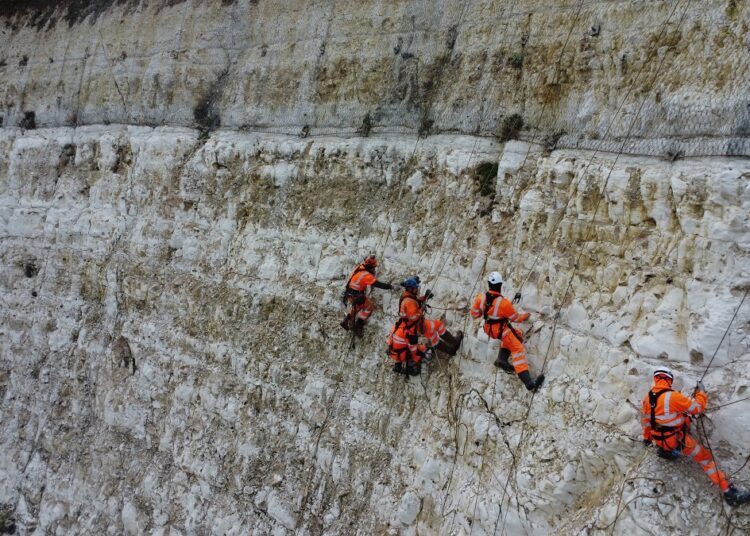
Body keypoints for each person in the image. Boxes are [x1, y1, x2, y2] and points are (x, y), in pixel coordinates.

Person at [641, 367, 750, 506]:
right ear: (669, 379)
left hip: (658, 439)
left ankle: (666, 452)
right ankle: (729, 493)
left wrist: (646, 438)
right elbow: (697, 408)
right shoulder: (673, 396)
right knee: (705, 459)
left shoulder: (647, 398)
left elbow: (647, 422)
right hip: (675, 440)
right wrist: (702, 393)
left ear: (656, 379)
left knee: (682, 422)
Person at [470, 271, 544, 391]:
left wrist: (487, 312)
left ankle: (502, 359)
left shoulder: (481, 297)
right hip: (500, 330)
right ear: (500, 285)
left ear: (489, 284)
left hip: (488, 329)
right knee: (518, 349)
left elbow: (474, 314)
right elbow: (516, 318)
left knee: (517, 334)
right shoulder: (504, 303)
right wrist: (526, 315)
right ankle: (529, 383)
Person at [341, 255, 393, 336]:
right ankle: (359, 324)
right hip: (356, 295)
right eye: (374, 267)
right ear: (371, 267)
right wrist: (390, 287)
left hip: (349, 293)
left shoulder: (360, 267)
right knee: (369, 307)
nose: (374, 269)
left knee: (358, 306)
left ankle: (346, 320)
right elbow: (378, 284)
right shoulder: (366, 275)